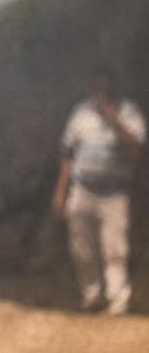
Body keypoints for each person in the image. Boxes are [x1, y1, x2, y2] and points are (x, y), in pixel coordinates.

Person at [51, 66, 145, 314]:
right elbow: (68, 154)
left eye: (106, 84)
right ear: (92, 86)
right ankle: (91, 296)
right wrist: (61, 192)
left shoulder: (130, 112)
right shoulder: (80, 114)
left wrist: (114, 119)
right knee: (82, 248)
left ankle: (118, 301)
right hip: (82, 190)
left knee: (115, 249)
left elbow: (135, 150)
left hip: (115, 194)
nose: (101, 89)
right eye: (97, 85)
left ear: (113, 86)